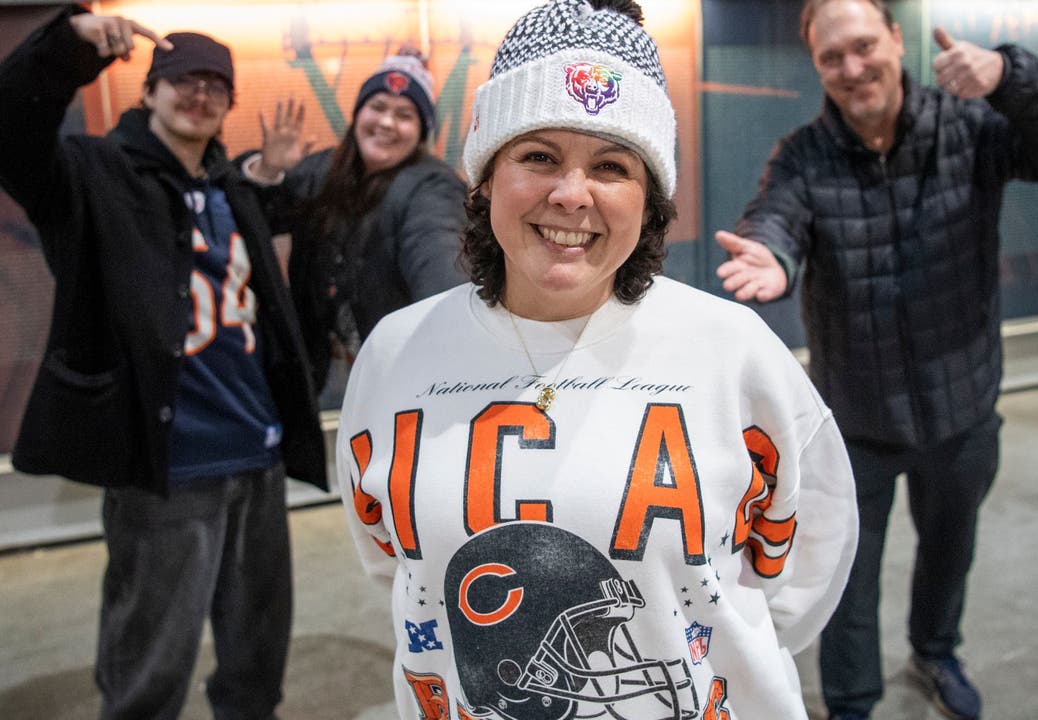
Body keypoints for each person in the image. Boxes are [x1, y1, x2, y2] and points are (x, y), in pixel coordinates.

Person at [335, 1, 859, 718]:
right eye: (539, 155)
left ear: (649, 199)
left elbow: (799, 576)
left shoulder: (734, 352)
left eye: (611, 165)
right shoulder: (397, 354)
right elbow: (396, 561)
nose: (571, 194)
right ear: (486, 173)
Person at [713, 1, 1038, 718]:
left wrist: (1011, 75)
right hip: (855, 422)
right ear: (817, 66)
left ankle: (936, 653)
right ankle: (854, 704)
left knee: (948, 553)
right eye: (832, 57)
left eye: (863, 45)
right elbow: (776, 214)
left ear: (897, 39)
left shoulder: (969, 129)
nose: (852, 67)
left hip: (961, 410)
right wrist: (770, 252)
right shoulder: (805, 154)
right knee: (847, 582)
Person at [0, 7, 326, 719]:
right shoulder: (94, 174)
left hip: (255, 456)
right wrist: (65, 51)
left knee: (256, 652)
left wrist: (265, 173)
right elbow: (1, 130)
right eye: (183, 80)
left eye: (215, 85)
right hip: (169, 467)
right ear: (149, 91)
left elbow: (259, 239)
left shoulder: (227, 190)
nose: (200, 94)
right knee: (151, 660)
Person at [243, 51, 468, 407]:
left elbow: (441, 267)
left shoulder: (432, 188)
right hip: (322, 369)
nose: (387, 123)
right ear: (358, 113)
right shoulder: (320, 171)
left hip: (401, 379)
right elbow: (258, 220)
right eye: (378, 106)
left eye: (405, 115)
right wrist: (268, 173)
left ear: (422, 131)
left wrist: (449, 332)